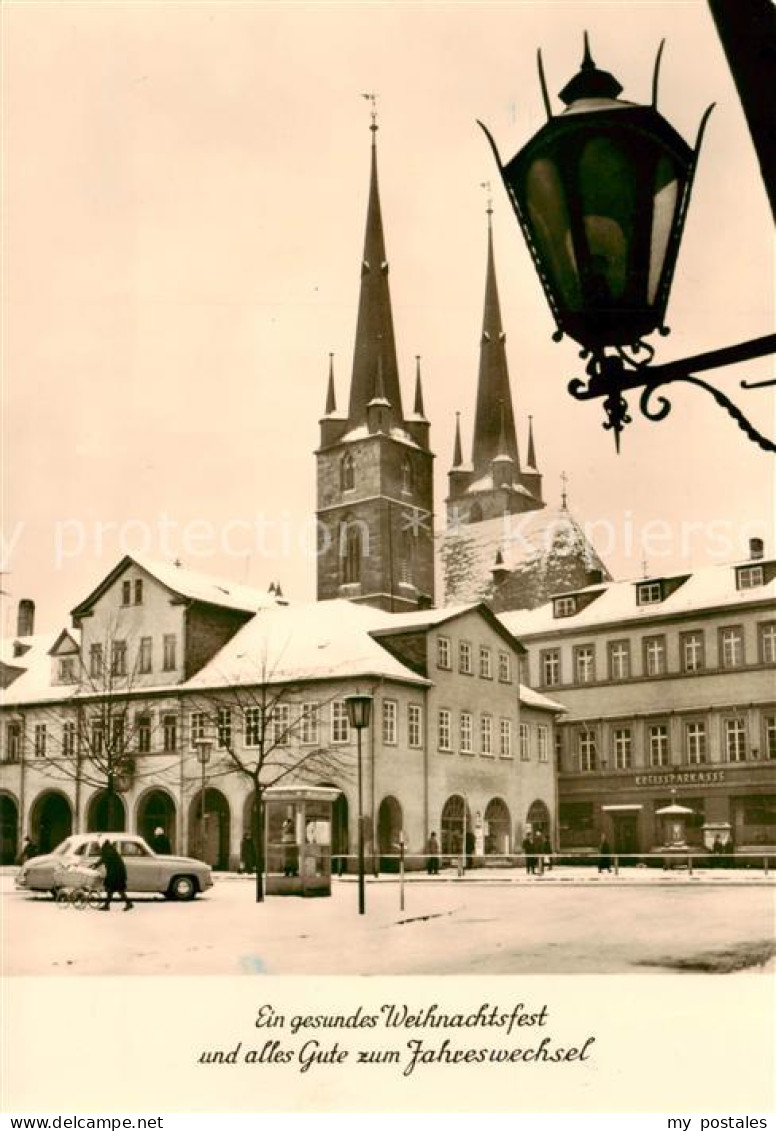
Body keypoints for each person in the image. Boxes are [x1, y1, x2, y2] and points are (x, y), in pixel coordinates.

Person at [95, 839, 133, 911]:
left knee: (113, 888)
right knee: (114, 889)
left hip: (116, 873)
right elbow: (103, 859)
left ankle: (127, 903)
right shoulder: (109, 849)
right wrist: (96, 864)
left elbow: (104, 859)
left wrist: (96, 864)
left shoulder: (108, 851)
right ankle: (126, 903)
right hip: (116, 873)